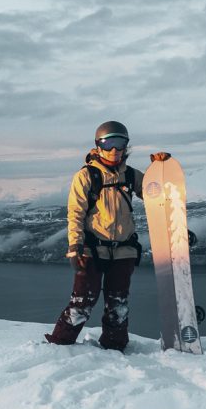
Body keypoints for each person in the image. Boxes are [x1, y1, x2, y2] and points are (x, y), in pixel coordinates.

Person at [45, 121, 144, 352]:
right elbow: (75, 212)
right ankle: (59, 346)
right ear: (98, 145)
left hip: (124, 250)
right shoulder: (87, 175)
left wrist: (162, 167)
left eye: (120, 143)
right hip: (91, 249)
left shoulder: (130, 175)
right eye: (108, 143)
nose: (114, 149)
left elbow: (155, 191)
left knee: (118, 304)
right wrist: (75, 246)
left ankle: (115, 348)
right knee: (82, 302)